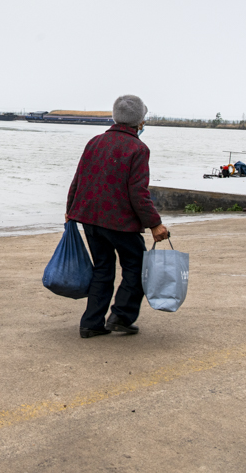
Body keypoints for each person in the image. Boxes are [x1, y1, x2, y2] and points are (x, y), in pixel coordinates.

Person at [65, 95, 169, 339]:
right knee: (137, 266)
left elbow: (78, 179)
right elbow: (139, 193)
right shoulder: (138, 148)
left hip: (89, 218)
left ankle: (91, 323)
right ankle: (121, 316)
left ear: (115, 117)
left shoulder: (95, 141)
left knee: (103, 269)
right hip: (119, 222)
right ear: (140, 122)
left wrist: (70, 210)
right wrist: (155, 224)